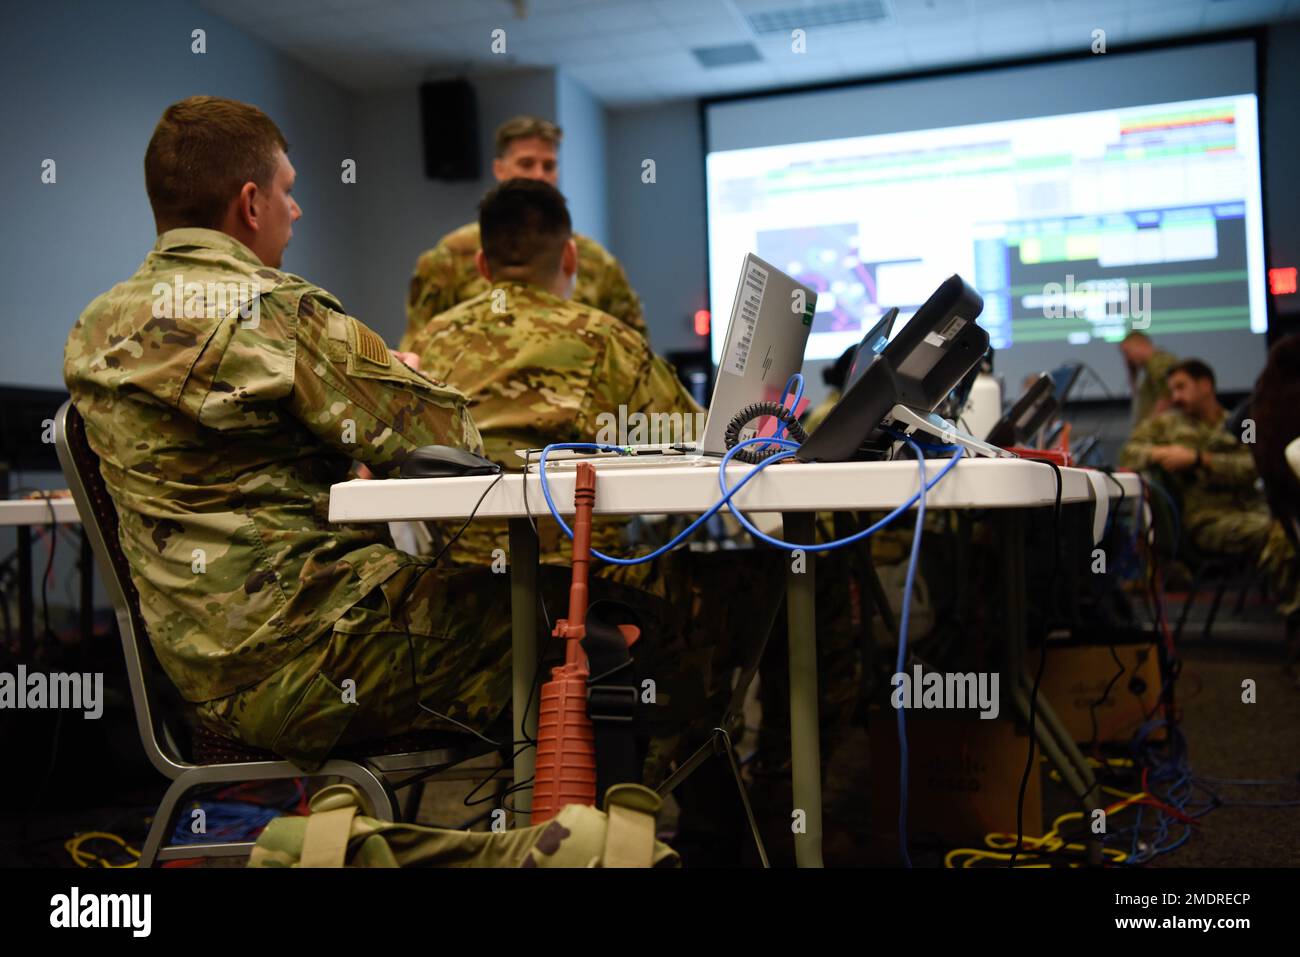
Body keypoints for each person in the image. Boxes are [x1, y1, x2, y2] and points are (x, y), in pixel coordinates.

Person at [60, 96, 726, 792]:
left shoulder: (93, 330)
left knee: (547, 611)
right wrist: (400, 382)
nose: (299, 210)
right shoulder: (275, 311)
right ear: (251, 203)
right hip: (317, 657)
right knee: (624, 630)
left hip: (198, 676)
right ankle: (602, 841)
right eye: (289, 192)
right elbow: (446, 435)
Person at [407, 178, 699, 581]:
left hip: (464, 589)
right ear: (571, 258)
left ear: (481, 265)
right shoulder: (609, 340)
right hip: (594, 583)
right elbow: (702, 443)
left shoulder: (430, 342)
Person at [401, 115, 646, 349]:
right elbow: (420, 346)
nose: (539, 175)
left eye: (549, 166)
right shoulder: (451, 256)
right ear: (500, 170)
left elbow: (633, 346)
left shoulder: (596, 261)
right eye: (526, 163)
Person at [1119, 331, 1177, 426]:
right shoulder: (1150, 366)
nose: (1127, 359)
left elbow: (1167, 396)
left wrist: (1148, 427)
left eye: (1127, 352)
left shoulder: (1159, 362)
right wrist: (1132, 373)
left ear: (1140, 345)